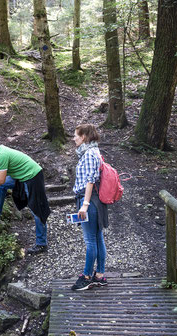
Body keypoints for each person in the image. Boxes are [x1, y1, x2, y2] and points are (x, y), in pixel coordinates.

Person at [0, 139, 50, 255]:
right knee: (1, 187)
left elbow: (0, 179)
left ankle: (41, 244)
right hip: (20, 175)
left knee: (37, 210)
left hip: (32, 176)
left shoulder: (1, 154)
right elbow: (1, 179)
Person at [70, 124, 109, 291]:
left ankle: (86, 277)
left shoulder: (89, 155)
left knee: (90, 241)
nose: (73, 138)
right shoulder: (94, 152)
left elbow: (90, 181)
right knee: (98, 238)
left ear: (84, 137)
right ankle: (99, 275)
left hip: (90, 202)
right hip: (94, 202)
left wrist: (84, 205)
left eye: (76, 135)